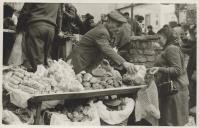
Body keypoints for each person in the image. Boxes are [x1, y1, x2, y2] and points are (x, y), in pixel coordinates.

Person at [70, 11, 137, 74]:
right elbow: (106, 48)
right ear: (109, 22)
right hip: (80, 61)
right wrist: (124, 62)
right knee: (76, 82)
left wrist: (102, 59)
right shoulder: (102, 32)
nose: (118, 29)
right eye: (117, 26)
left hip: (86, 60)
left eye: (120, 27)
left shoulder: (107, 31)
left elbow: (100, 47)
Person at [150, 25, 189, 126]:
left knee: (171, 122)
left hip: (175, 91)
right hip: (171, 91)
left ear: (167, 37)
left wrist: (159, 69)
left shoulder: (171, 48)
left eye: (160, 38)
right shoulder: (169, 47)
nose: (158, 40)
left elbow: (177, 70)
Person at [17, 3, 61, 72]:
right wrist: (57, 31)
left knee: (37, 64)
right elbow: (59, 16)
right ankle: (44, 78)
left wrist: (18, 28)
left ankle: (39, 79)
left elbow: (25, 12)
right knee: (45, 61)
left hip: (37, 26)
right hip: (51, 28)